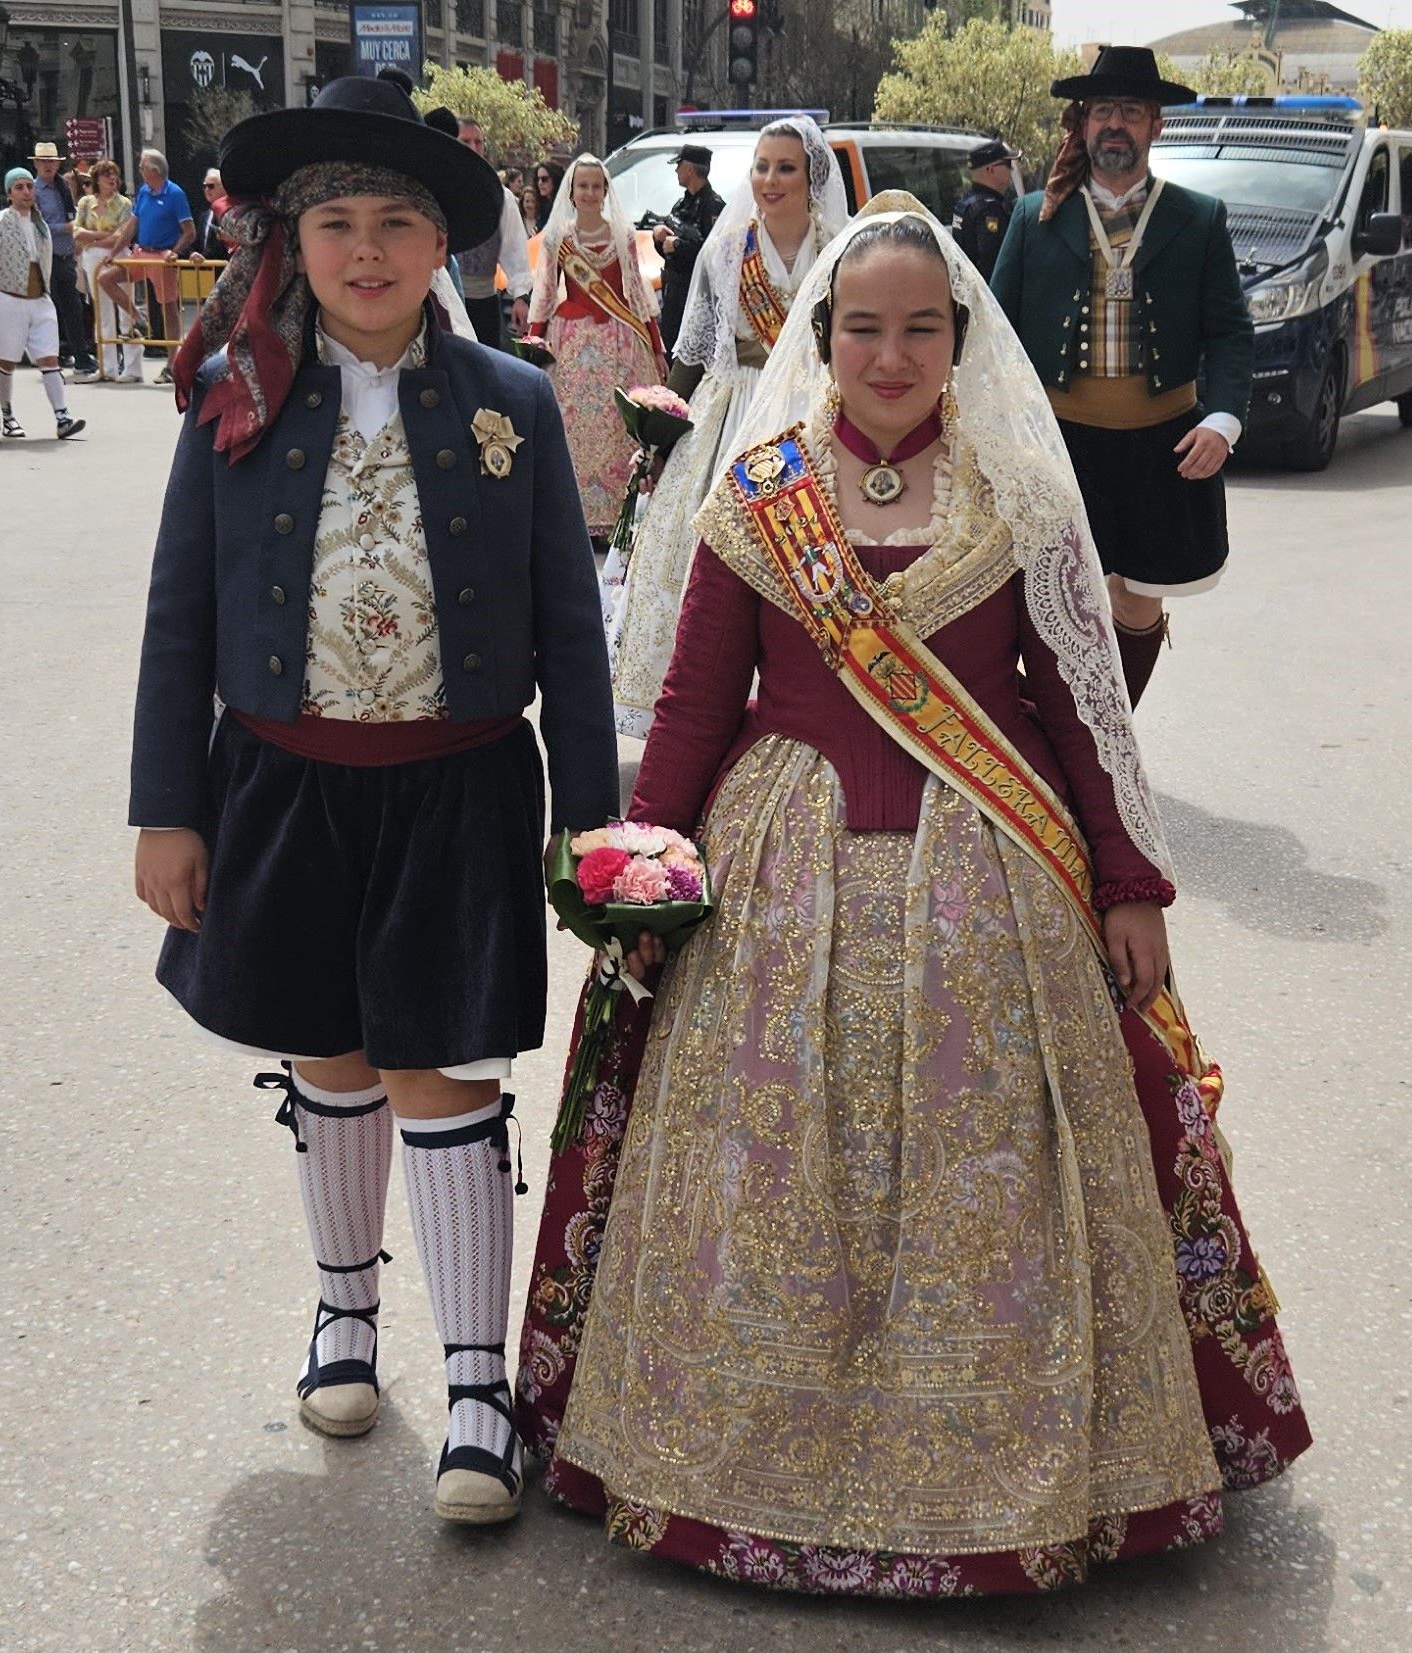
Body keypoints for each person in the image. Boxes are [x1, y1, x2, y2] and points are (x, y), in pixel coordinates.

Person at [515, 195, 1312, 1595]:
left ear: (958, 340)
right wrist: (647, 861)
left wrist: (1127, 881)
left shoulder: (1016, 491)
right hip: (777, 867)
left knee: (992, 1163)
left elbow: (1075, 706)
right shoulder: (758, 493)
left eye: (920, 329)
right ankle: (726, 1463)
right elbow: (701, 703)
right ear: (822, 339)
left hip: (988, 870)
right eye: (864, 329)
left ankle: (1020, 1480)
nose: (890, 355)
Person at [129, 75, 616, 1525]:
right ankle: (346, 1318)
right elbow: (178, 622)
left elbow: (569, 628)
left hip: (458, 789)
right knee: (332, 1058)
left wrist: (587, 817)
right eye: (335, 221)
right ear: (292, 242)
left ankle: (479, 1384)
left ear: (442, 247)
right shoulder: (232, 403)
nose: (364, 249)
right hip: (281, 783)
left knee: (447, 1070)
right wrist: (170, 806)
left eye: (395, 221)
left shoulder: (513, 404)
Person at [990, 47, 1251, 709]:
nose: (1115, 124)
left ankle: (1111, 737)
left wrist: (1220, 420)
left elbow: (1228, 332)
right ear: (1080, 124)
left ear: (1155, 125)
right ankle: (1048, 735)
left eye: (1130, 111)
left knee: (1135, 598)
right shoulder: (1032, 217)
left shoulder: (1197, 218)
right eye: (1102, 110)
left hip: (1159, 441)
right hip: (1057, 443)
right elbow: (994, 333)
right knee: (1047, 592)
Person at [606, 116, 848, 736]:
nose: (770, 179)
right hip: (735, 412)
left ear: (812, 176)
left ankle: (803, 709)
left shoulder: (841, 252)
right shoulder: (724, 246)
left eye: (786, 167)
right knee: (713, 569)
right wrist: (662, 421)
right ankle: (709, 715)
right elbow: (694, 347)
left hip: (817, 418)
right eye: (762, 166)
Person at [524, 156, 665, 541]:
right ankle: (574, 516)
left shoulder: (622, 235)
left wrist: (655, 346)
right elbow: (546, 295)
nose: (589, 193)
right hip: (570, 343)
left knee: (618, 427)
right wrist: (535, 344)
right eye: (582, 186)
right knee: (573, 429)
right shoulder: (557, 239)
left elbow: (637, 294)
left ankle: (621, 514)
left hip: (619, 344)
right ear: (572, 190)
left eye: (596, 186)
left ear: (605, 191)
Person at [0, 167, 87, 440]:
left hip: (38, 298)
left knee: (49, 357)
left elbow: (44, 263)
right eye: (19, 187)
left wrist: (43, 294)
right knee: (7, 361)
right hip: (7, 298)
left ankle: (62, 416)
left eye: (28, 187)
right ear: (9, 193)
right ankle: (8, 415)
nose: (25, 192)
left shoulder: (41, 226)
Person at [104, 149, 194, 383]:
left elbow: (189, 232)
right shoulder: (144, 192)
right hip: (141, 253)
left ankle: (172, 364)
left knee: (169, 309)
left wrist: (174, 253)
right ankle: (138, 317)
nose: (140, 171)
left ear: (154, 170)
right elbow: (131, 227)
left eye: (142, 167)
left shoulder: (175, 194)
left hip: (162, 257)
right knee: (106, 278)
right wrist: (113, 254)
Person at [453, 116, 531, 350]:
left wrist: (520, 297)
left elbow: (515, 251)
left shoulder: (500, 196)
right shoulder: (435, 189)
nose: (474, 148)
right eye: (466, 141)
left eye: (479, 142)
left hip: (483, 305)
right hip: (442, 303)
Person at [654, 142, 725, 358]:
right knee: (670, 351)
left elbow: (713, 255)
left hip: (697, 295)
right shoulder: (681, 205)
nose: (676, 171)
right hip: (673, 293)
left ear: (689, 169)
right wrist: (660, 238)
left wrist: (678, 245)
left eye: (679, 166)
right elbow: (668, 251)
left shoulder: (713, 207)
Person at [31, 141, 95, 379]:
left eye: (52, 161)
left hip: (66, 255)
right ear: (37, 164)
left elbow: (73, 216)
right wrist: (66, 228)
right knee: (51, 310)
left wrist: (74, 236)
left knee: (73, 308)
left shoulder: (63, 187)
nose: (48, 166)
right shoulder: (34, 191)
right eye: (44, 161)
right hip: (46, 256)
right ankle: (53, 356)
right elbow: (39, 225)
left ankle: (80, 355)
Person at [74, 158, 141, 383]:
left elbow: (120, 237)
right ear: (97, 180)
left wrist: (91, 237)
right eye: (106, 175)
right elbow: (76, 233)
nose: (112, 178)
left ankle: (132, 368)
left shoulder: (124, 204)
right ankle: (107, 367)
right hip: (91, 258)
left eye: (114, 174)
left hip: (119, 256)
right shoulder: (85, 203)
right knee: (101, 312)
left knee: (125, 310)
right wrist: (103, 237)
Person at [951, 137, 1017, 283]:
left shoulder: (965, 203)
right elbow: (993, 261)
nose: (1011, 169)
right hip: (987, 294)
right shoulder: (988, 209)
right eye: (1007, 163)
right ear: (990, 169)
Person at [192, 167, 231, 262]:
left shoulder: (231, 213)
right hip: (204, 271)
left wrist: (204, 257)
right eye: (204, 186)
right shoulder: (204, 216)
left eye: (210, 186)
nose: (206, 190)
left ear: (223, 187)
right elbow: (197, 243)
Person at [533, 160, 564, 231]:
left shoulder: (563, 207)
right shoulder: (543, 206)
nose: (540, 183)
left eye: (544, 179)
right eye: (538, 179)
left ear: (555, 179)